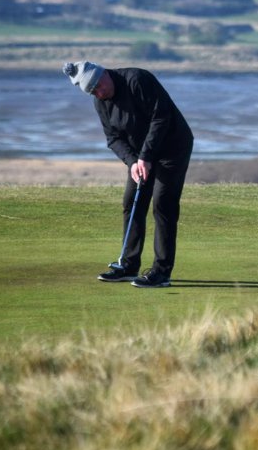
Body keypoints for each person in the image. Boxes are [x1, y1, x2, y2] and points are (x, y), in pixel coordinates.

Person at [63, 61, 193, 288]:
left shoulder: (137, 80)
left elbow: (160, 117)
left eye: (99, 87)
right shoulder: (101, 102)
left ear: (104, 74)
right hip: (142, 157)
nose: (100, 93)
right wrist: (133, 162)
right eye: (93, 92)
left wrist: (146, 156)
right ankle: (129, 265)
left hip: (173, 147)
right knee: (132, 202)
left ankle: (161, 272)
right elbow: (113, 138)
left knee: (163, 203)